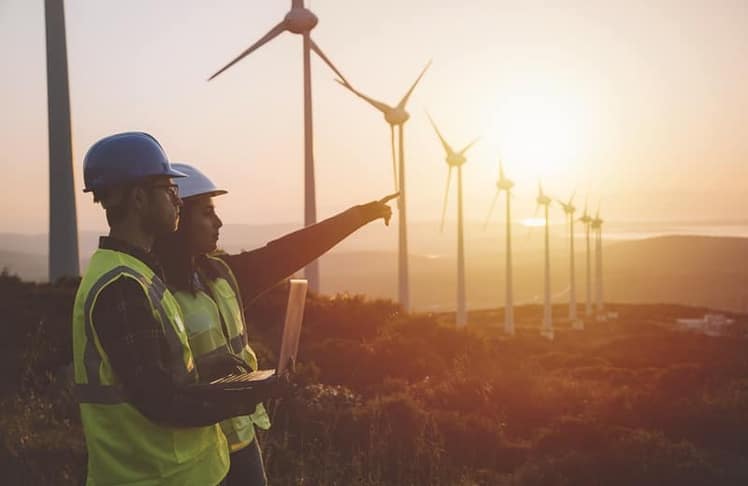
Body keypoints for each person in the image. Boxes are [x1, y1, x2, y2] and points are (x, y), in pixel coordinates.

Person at [152, 163, 397, 485]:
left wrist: (360, 215)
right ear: (179, 219)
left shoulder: (223, 275)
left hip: (240, 440)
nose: (218, 222)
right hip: (192, 454)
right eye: (207, 213)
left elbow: (290, 251)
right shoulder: (151, 290)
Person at [71, 132, 278, 486]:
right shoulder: (122, 288)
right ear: (139, 199)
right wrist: (244, 396)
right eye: (169, 190)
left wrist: (218, 369)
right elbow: (160, 400)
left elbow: (162, 374)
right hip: (155, 477)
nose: (177, 201)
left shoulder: (137, 275)